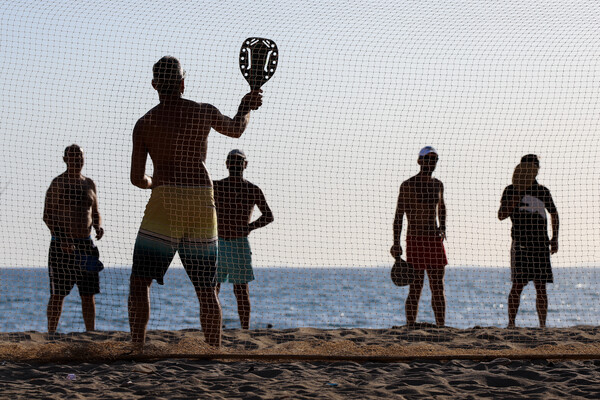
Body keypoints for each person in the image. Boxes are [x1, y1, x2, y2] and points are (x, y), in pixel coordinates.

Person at [129, 56, 262, 348]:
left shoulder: (145, 123)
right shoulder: (202, 112)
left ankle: (137, 347)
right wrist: (246, 106)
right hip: (202, 200)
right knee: (206, 289)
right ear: (182, 83)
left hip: (166, 200)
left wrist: (155, 181)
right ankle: (214, 348)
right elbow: (236, 128)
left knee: (140, 282)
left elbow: (138, 179)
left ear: (154, 85)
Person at [43, 144, 104, 333]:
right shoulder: (58, 183)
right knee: (58, 294)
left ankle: (90, 332)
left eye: (80, 157)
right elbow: (48, 215)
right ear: (65, 159)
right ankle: (51, 333)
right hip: (62, 247)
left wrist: (98, 226)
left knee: (88, 294)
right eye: (73, 157)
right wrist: (62, 239)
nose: (77, 160)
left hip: (86, 245)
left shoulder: (89, 184)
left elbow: (95, 212)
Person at [213, 150, 274, 329]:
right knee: (212, 289)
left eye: (239, 161)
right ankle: (214, 326)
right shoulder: (215, 186)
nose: (235, 164)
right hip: (218, 243)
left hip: (239, 244)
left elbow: (268, 216)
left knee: (240, 290)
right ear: (226, 164)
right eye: (232, 161)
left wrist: (249, 227)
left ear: (245, 165)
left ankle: (244, 329)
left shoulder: (252, 189)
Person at [499, 154, 559, 328]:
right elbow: (501, 215)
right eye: (531, 165)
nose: (534, 169)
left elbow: (554, 213)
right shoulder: (510, 190)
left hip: (541, 244)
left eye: (536, 166)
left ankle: (542, 325)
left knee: (541, 287)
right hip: (520, 244)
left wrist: (555, 238)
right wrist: (515, 198)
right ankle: (511, 324)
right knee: (517, 285)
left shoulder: (542, 191)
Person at [391, 146, 447, 327]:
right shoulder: (408, 185)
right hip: (415, 239)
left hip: (434, 239)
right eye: (428, 159)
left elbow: (442, 207)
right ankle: (410, 325)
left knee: (438, 287)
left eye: (434, 159)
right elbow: (399, 215)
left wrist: (443, 227)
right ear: (419, 161)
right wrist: (396, 243)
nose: (431, 163)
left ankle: (441, 326)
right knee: (415, 287)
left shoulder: (438, 184)